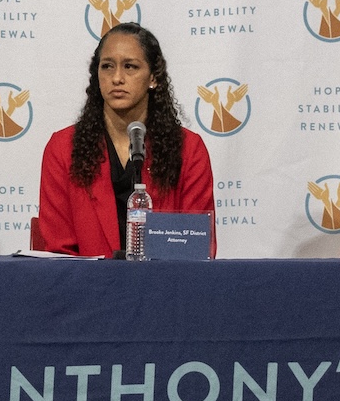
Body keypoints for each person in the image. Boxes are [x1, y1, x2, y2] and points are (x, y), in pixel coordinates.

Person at [36, 23, 216, 257]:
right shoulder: (63, 148)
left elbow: (196, 247)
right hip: (87, 288)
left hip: (164, 288)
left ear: (153, 78)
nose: (117, 78)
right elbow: (59, 251)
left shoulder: (188, 149)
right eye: (107, 67)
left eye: (130, 66)